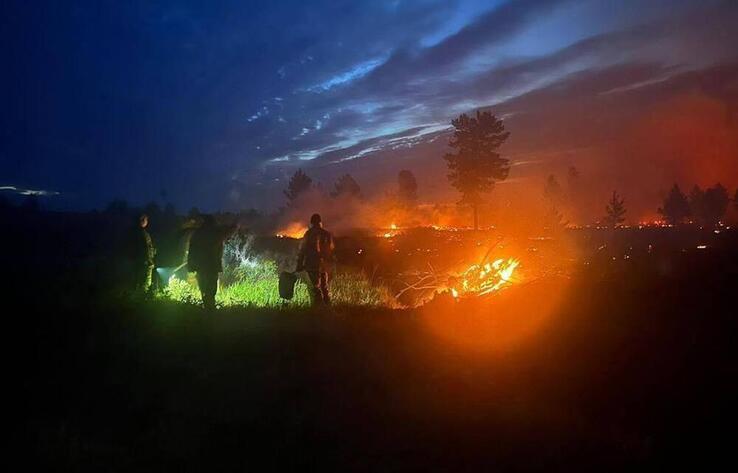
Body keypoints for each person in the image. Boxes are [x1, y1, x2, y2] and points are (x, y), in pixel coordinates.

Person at [187, 214, 234, 310]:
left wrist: (191, 264)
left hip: (200, 265)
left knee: (203, 286)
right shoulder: (215, 232)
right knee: (211, 287)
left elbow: (192, 250)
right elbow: (228, 232)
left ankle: (206, 305)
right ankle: (210, 307)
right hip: (212, 264)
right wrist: (236, 225)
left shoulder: (197, 233)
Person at [296, 213, 335, 305]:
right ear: (320, 222)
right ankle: (328, 306)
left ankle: (318, 308)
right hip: (324, 266)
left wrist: (299, 264)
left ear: (312, 223)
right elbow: (331, 250)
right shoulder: (327, 234)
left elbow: (302, 250)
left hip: (312, 264)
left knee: (315, 287)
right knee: (324, 287)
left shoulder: (308, 234)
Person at [130, 213, 156, 295]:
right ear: (142, 221)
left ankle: (137, 294)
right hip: (144, 261)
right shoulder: (142, 233)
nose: (147, 222)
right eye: (146, 220)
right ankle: (144, 295)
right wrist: (149, 260)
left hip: (139, 260)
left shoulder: (135, 232)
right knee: (145, 278)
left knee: (138, 278)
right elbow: (145, 248)